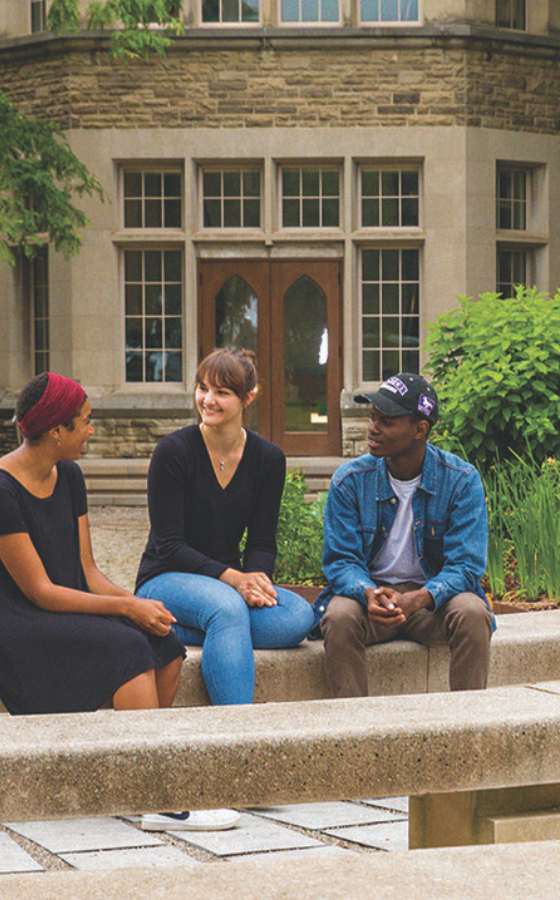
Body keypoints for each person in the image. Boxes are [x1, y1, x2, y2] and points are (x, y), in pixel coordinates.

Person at [134, 348, 315, 832]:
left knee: (298, 616)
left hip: (224, 589)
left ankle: (209, 632)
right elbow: (169, 546)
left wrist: (257, 579)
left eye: (222, 392)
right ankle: (241, 762)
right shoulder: (173, 453)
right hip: (166, 578)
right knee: (227, 610)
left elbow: (261, 540)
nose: (207, 399)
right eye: (203, 388)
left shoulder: (267, 459)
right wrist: (233, 581)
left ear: (248, 398)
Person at [0, 372, 184, 716]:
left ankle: (138, 752)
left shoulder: (69, 475)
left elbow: (88, 571)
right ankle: (139, 763)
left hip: (58, 600)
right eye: (85, 422)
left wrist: (139, 604)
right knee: (129, 649)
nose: (91, 431)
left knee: (166, 643)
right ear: (56, 430)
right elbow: (40, 591)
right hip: (8, 615)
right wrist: (126, 609)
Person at [317, 373, 492, 698]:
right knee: (338, 616)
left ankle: (468, 728)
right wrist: (368, 592)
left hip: (432, 603)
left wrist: (419, 598)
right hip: (373, 601)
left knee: (472, 612)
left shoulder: (461, 481)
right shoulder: (350, 480)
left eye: (387, 421)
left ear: (419, 430)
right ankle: (355, 731)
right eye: (373, 417)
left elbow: (466, 567)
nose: (373, 428)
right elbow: (341, 562)